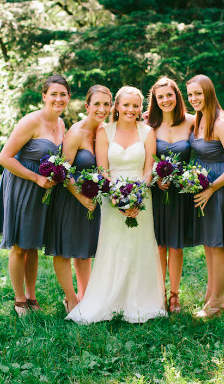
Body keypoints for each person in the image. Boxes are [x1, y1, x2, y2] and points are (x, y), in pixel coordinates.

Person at [66, 86, 166, 323]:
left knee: (139, 246)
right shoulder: (104, 131)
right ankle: (108, 300)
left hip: (141, 199)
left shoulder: (147, 132)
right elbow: (102, 170)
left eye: (135, 105)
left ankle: (142, 300)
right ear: (117, 107)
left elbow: (149, 169)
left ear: (140, 108)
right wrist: (117, 197)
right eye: (126, 105)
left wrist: (137, 197)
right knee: (114, 246)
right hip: (111, 198)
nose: (131, 110)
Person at [0, 74, 71, 316]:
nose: (58, 99)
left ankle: (31, 295)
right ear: (44, 96)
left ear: (68, 98)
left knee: (33, 244)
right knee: (20, 245)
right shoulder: (31, 121)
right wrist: (37, 178)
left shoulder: (61, 124)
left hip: (43, 190)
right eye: (54, 94)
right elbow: (4, 158)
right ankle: (19, 299)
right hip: (23, 185)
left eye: (63, 94)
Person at [44, 85, 112, 313]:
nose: (102, 109)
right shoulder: (76, 132)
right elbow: (62, 170)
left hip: (91, 200)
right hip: (70, 198)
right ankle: (71, 298)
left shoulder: (104, 132)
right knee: (64, 249)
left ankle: (86, 296)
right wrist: (81, 197)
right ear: (87, 106)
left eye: (106, 104)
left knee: (85, 249)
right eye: (97, 104)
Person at [186, 74, 224, 318]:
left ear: (209, 93)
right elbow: (175, 119)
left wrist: (212, 188)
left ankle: (218, 302)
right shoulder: (198, 118)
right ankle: (212, 294)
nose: (193, 99)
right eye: (190, 94)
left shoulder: (221, 122)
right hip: (205, 187)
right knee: (209, 244)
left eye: (198, 93)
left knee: (219, 246)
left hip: (220, 187)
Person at [147, 77, 194, 312]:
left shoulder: (192, 122)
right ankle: (159, 292)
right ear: (155, 101)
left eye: (169, 95)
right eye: (160, 97)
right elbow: (141, 158)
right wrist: (156, 178)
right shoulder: (148, 125)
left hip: (181, 193)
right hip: (157, 193)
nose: (166, 100)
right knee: (158, 246)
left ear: (177, 96)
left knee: (176, 246)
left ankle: (174, 294)